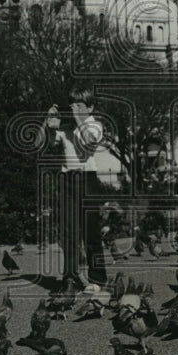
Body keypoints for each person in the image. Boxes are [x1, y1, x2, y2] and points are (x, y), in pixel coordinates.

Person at [45, 86, 107, 288]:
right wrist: (51, 126)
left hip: (87, 178)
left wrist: (78, 119)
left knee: (91, 232)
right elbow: (50, 145)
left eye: (79, 105)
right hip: (67, 179)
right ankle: (70, 277)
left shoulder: (94, 125)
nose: (74, 108)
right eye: (72, 104)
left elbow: (89, 142)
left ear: (90, 108)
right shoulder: (66, 127)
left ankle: (98, 279)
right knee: (68, 232)